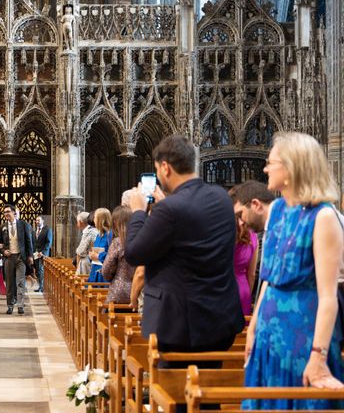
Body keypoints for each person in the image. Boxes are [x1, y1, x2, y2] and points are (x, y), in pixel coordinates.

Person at [244, 132, 344, 409]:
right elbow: (268, 278)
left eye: (270, 162)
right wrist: (254, 327)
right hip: (268, 330)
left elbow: (328, 296)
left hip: (302, 332)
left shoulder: (323, 217)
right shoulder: (276, 210)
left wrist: (318, 356)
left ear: (291, 168)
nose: (265, 168)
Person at [123, 135, 244, 358]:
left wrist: (139, 211)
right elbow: (192, 234)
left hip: (180, 327)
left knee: (174, 390)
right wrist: (165, 206)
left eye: (158, 169)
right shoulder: (221, 198)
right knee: (211, 384)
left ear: (166, 168)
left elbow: (134, 252)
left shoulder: (170, 210)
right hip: (220, 319)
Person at [227, 188, 259, 316]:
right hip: (242, 290)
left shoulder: (220, 234)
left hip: (221, 289)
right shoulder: (253, 237)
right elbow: (251, 275)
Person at [0, 204, 34, 315]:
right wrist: (3, 251)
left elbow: (28, 241)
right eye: (4, 212)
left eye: (8, 211)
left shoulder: (23, 225)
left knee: (20, 282)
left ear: (14, 212)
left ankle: (20, 305)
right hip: (9, 258)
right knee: (9, 283)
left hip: (20, 257)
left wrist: (30, 256)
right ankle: (10, 306)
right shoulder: (3, 227)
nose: (6, 214)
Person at [102, 206, 135, 303]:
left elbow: (106, 271)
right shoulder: (143, 240)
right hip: (139, 293)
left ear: (117, 222)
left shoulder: (118, 242)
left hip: (119, 293)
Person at [87, 208, 113, 283]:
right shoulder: (99, 235)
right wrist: (91, 255)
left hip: (103, 274)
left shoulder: (110, 235)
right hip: (95, 271)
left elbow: (112, 255)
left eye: (95, 217)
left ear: (101, 220)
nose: (94, 220)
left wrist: (98, 256)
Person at [33, 216, 52, 293]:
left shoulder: (47, 230)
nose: (37, 222)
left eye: (38, 220)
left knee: (41, 270)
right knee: (37, 270)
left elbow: (48, 242)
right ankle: (40, 286)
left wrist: (43, 252)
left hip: (43, 253)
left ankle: (42, 287)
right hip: (36, 253)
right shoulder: (35, 230)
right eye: (36, 220)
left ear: (42, 221)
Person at [75, 211, 97, 276]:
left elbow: (81, 252)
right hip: (93, 261)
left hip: (87, 264)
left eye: (77, 221)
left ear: (80, 222)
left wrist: (77, 265)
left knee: (84, 284)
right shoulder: (94, 229)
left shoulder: (88, 232)